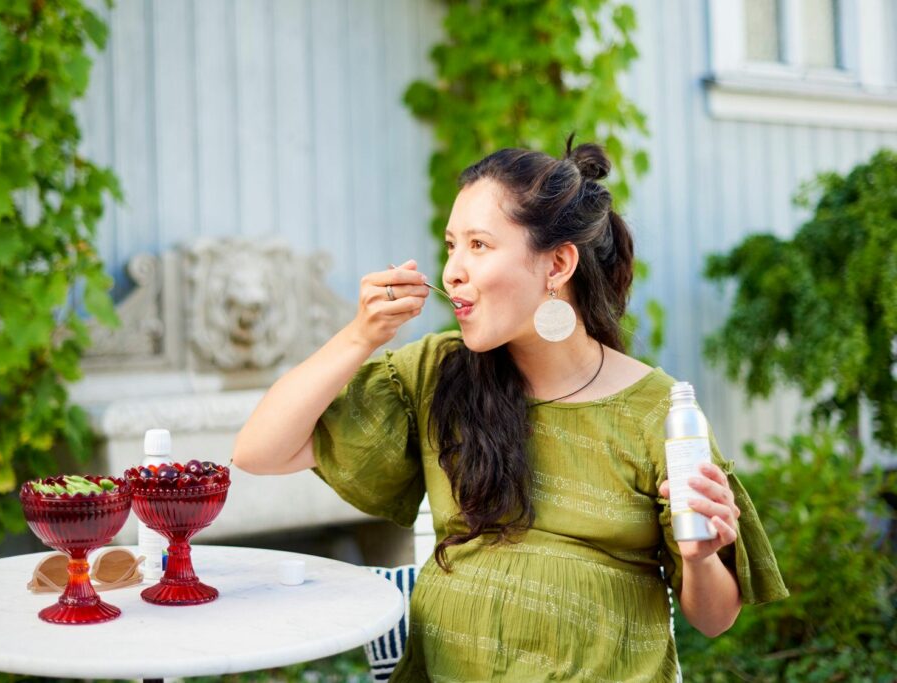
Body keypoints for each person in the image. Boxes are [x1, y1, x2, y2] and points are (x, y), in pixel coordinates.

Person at [233, 138, 788, 681]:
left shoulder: (659, 411)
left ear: (558, 264)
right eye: (451, 245)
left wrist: (699, 557)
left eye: (478, 245)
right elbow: (258, 452)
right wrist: (360, 336)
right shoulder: (436, 373)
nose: (452, 271)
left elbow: (714, 619)